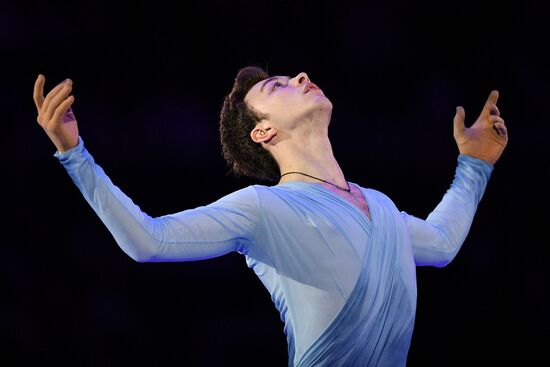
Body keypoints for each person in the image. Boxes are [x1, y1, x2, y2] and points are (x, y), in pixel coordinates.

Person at [33, 66, 508, 367]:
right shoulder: (263, 207)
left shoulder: (382, 207)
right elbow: (148, 240)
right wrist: (76, 156)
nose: (302, 76)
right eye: (278, 86)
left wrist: (475, 164)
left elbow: (442, 245)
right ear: (262, 131)